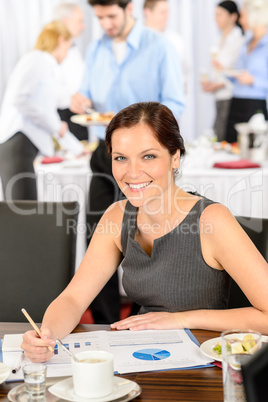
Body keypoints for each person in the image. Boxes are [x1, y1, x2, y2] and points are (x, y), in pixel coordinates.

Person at [21, 101, 268, 362]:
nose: (133, 172)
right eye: (121, 158)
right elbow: (73, 299)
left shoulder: (212, 220)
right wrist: (46, 334)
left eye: (148, 156)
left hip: (202, 364)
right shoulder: (117, 217)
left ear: (175, 157)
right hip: (140, 356)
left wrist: (179, 319)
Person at [70, 0, 185, 324]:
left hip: (146, 158)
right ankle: (108, 323)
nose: (105, 23)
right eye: (100, 17)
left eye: (111, 16)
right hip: (105, 155)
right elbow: (88, 95)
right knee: (98, 236)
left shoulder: (158, 46)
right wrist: (80, 99)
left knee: (145, 238)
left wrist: (144, 135)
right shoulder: (96, 49)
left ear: (128, 8)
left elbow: (176, 102)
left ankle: (142, 317)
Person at [0, 22, 72, 200]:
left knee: (25, 208)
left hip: (21, 145)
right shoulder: (37, 60)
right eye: (68, 47)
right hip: (16, 143)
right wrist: (55, 126)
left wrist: (73, 145)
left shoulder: (43, 64)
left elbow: (43, 106)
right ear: (61, 40)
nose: (67, 54)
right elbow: (21, 99)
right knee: (22, 210)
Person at [225, 0, 268, 143]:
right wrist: (227, 72)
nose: (240, 20)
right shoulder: (246, 42)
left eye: (243, 16)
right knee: (230, 144)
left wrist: (253, 80)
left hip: (255, 106)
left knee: (252, 152)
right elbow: (239, 72)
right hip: (236, 101)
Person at [201, 0, 244, 141]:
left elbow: (239, 70)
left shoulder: (240, 39)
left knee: (224, 136)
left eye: (220, 15)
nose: (216, 18)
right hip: (218, 96)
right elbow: (217, 69)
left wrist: (218, 83)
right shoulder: (218, 38)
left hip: (231, 96)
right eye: (215, 15)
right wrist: (209, 83)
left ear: (233, 17)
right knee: (217, 135)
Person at [54, 3, 88, 141]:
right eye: (80, 21)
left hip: (78, 114)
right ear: (65, 21)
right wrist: (71, 99)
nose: (83, 26)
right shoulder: (53, 50)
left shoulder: (73, 47)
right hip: (62, 117)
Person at [143, 0, 189, 93]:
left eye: (168, 12)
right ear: (147, 12)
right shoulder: (135, 40)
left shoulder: (176, 40)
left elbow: (183, 72)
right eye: (162, 12)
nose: (167, 16)